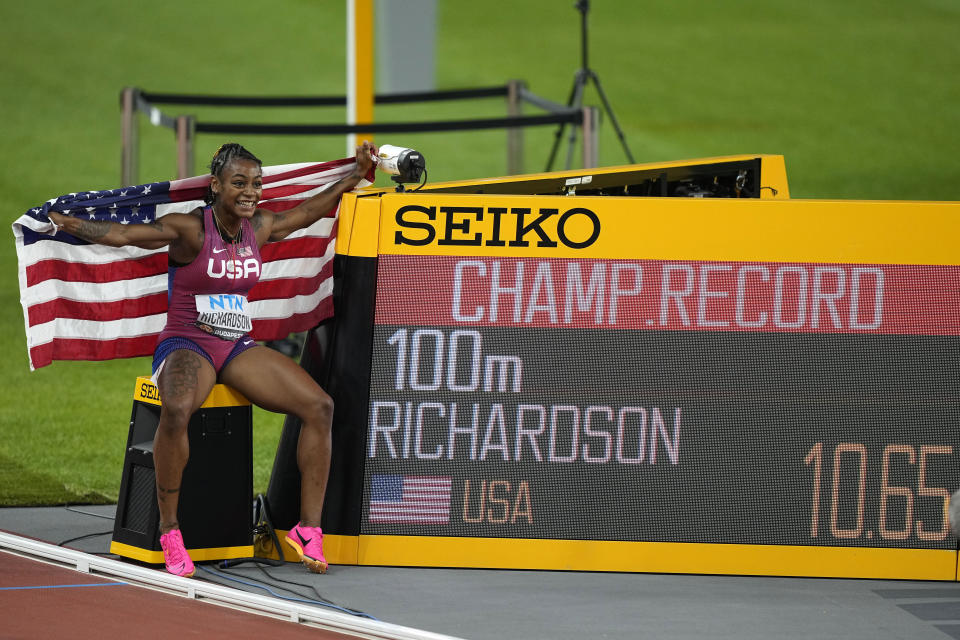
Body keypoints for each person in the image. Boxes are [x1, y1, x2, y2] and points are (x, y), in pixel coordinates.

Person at [49, 141, 378, 577]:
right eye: (239, 182)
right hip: (187, 343)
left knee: (319, 406)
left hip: (236, 345)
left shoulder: (257, 226)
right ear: (216, 185)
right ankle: (169, 530)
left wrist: (354, 176)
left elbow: (305, 213)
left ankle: (307, 529)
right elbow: (125, 236)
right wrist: (68, 222)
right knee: (179, 409)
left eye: (256, 183)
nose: (250, 191)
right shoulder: (191, 230)